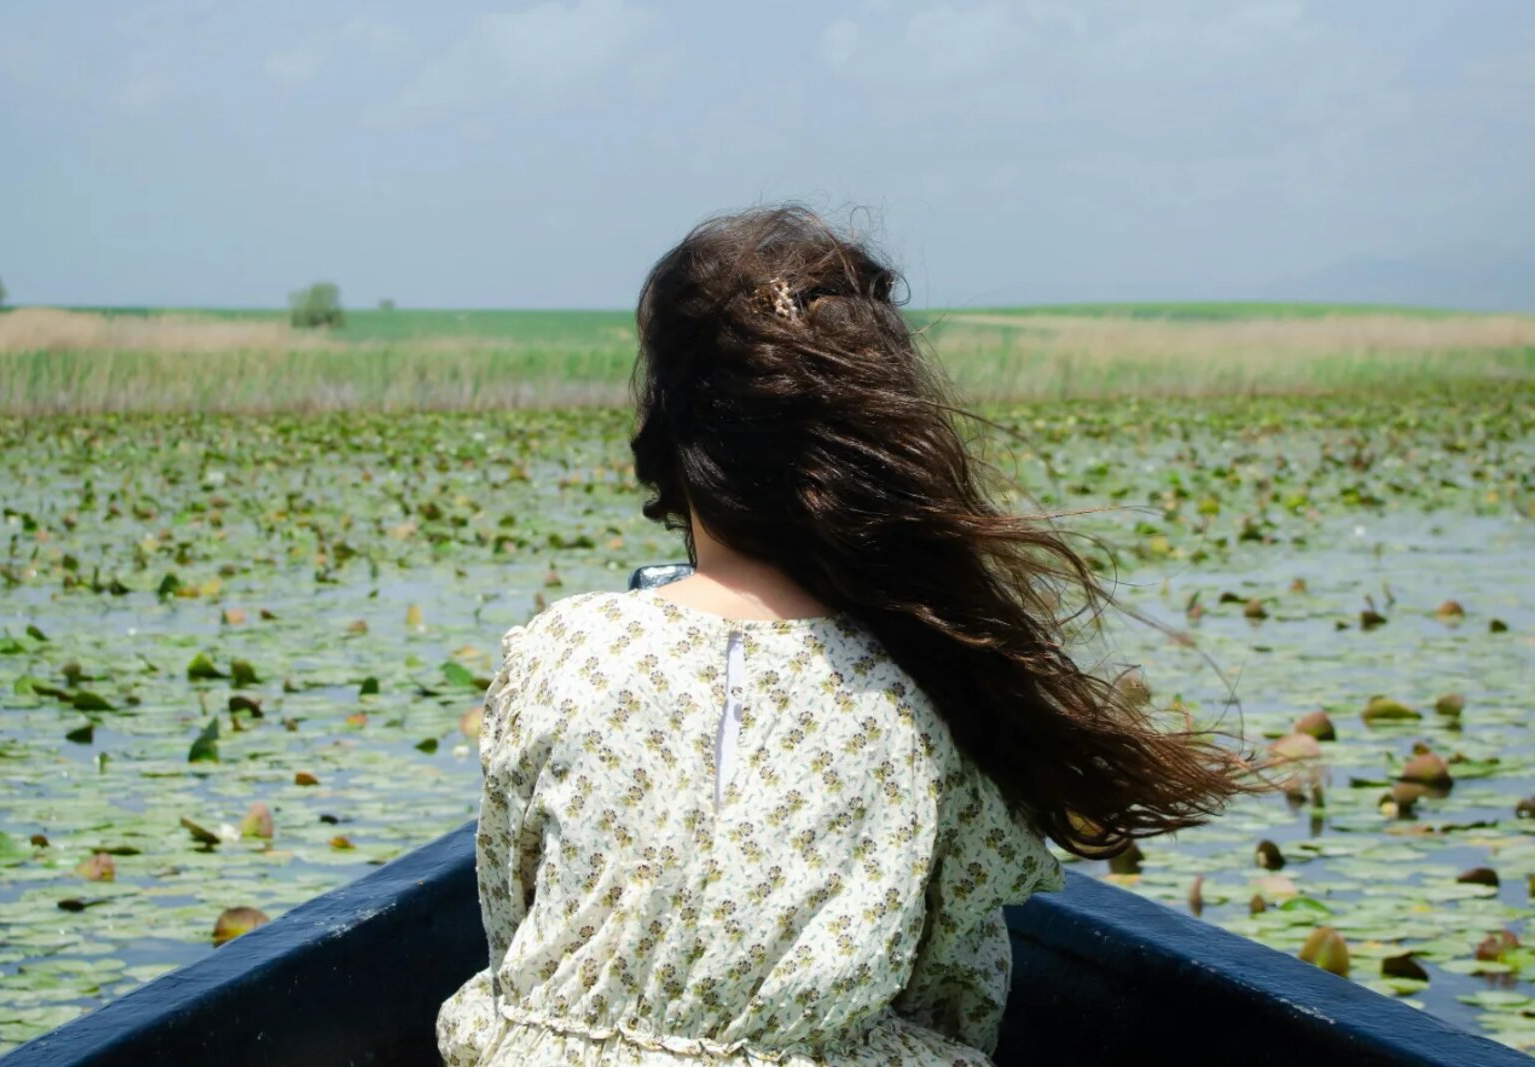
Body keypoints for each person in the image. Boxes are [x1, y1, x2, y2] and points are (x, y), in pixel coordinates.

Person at [436, 206, 1266, 1066]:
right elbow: (959, 990)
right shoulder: (928, 686)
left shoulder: (560, 649)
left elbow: (512, 919)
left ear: (676, 437)